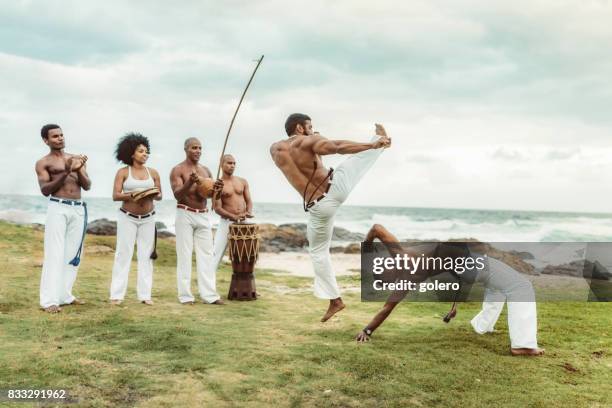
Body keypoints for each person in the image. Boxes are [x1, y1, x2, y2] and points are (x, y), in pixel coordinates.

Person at [355, 224, 544, 356]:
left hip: (466, 268)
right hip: (472, 265)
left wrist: (368, 246)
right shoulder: (403, 263)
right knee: (520, 287)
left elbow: (376, 229)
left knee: (497, 288)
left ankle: (483, 325)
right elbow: (377, 228)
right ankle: (523, 346)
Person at [270, 113, 390, 322]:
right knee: (354, 161)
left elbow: (303, 163)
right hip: (335, 187)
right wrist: (369, 146)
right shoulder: (310, 140)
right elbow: (337, 146)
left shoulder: (275, 149)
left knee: (317, 252)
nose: (312, 129)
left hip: (318, 206)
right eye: (309, 126)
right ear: (299, 127)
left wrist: (315, 139)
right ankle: (377, 142)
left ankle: (335, 300)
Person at [35, 124, 91, 313]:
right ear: (46, 140)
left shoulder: (75, 158)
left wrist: (80, 169)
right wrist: (67, 171)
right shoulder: (43, 163)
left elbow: (87, 185)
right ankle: (48, 301)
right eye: (55, 136)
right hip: (58, 207)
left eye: (61, 135)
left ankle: (65, 296)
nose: (60, 138)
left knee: (73, 254)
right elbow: (45, 190)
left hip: (78, 208)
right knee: (54, 253)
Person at [109, 133, 162, 306]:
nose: (145, 154)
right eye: (141, 151)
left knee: (146, 255)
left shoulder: (153, 172)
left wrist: (151, 194)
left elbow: (160, 195)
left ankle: (145, 295)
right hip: (127, 218)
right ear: (131, 153)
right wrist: (134, 195)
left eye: (146, 152)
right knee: (123, 254)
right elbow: (116, 196)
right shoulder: (123, 172)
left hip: (148, 218)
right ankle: (116, 295)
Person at [170, 137, 224, 305]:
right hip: (184, 213)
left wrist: (218, 190)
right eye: (194, 147)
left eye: (200, 148)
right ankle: (186, 296)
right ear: (186, 149)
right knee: (184, 255)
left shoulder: (206, 171)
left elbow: (212, 197)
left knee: (207, 256)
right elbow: (177, 194)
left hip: (203, 214)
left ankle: (210, 295)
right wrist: (189, 183)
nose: (198, 150)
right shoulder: (177, 170)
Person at [211, 154, 254, 275]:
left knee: (247, 254)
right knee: (216, 254)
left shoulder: (242, 181)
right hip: (227, 223)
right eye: (229, 163)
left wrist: (248, 212)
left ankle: (247, 287)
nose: (232, 166)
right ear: (221, 164)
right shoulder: (218, 185)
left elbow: (249, 201)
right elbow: (217, 208)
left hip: (244, 222)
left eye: (234, 163)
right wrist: (234, 217)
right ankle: (208, 288)